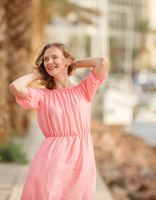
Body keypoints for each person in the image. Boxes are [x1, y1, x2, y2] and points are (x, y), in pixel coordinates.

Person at [9, 42, 108, 200]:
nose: (49, 62)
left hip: (82, 157)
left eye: (55, 57)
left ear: (66, 60)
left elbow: (102, 62)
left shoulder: (84, 90)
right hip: (52, 158)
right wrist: (39, 73)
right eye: (46, 59)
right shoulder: (43, 96)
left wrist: (74, 64)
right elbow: (15, 86)